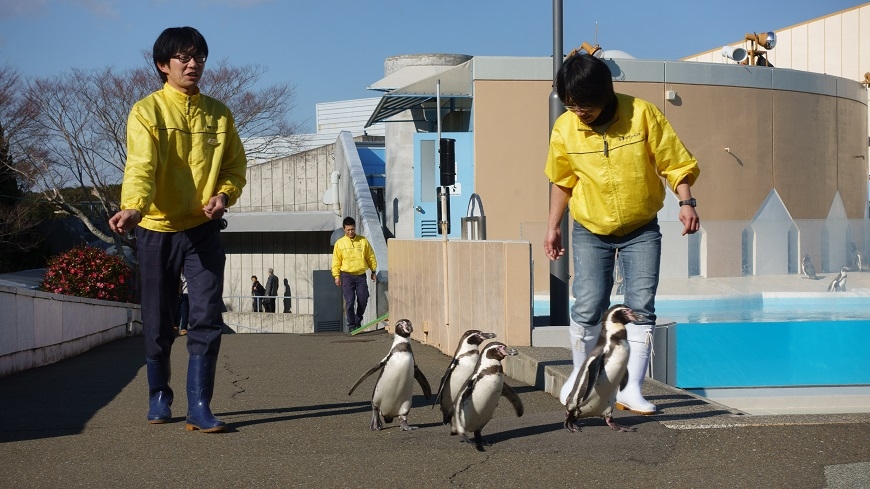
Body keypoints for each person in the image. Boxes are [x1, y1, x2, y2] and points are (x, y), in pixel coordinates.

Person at [543, 53, 700, 415]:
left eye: (585, 104)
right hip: (590, 228)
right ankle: (582, 378)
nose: (578, 111)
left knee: (641, 307)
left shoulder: (642, 114)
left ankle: (631, 389)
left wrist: (687, 202)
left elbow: (675, 163)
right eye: (571, 105)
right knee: (588, 305)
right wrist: (552, 227)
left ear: (605, 93)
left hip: (641, 227)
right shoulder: (565, 127)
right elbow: (562, 180)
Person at [108, 26, 247, 433]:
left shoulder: (219, 113)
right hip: (155, 228)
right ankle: (158, 395)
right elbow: (141, 166)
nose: (193, 64)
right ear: (162, 66)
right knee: (158, 320)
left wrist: (224, 194)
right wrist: (133, 207)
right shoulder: (147, 111)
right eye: (184, 58)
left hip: (203, 229)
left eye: (199, 56)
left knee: (205, 316)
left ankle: (200, 405)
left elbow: (234, 167)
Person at [331, 216, 377, 331]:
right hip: (347, 275)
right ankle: (352, 325)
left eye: (352, 229)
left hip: (361, 275)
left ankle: (358, 320)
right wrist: (336, 276)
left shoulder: (363, 241)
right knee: (350, 301)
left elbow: (370, 256)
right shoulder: (340, 244)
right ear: (344, 229)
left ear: (355, 228)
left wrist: (373, 271)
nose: (351, 232)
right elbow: (336, 261)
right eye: (348, 230)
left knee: (363, 298)